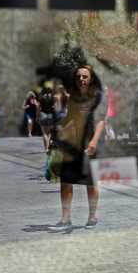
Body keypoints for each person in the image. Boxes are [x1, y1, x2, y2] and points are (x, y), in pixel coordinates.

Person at [50, 65, 106, 232]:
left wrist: (94, 141)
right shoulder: (73, 97)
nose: (81, 79)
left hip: (89, 143)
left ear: (91, 78)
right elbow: (70, 118)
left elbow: (101, 121)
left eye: (85, 76)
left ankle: (92, 216)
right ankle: (65, 219)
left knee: (90, 182)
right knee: (66, 181)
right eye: (78, 77)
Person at [38, 87, 55, 153]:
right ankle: (48, 147)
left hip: (43, 115)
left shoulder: (42, 98)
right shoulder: (52, 98)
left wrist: (38, 115)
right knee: (49, 133)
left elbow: (38, 107)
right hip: (50, 115)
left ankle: (46, 148)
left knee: (44, 133)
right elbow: (54, 107)